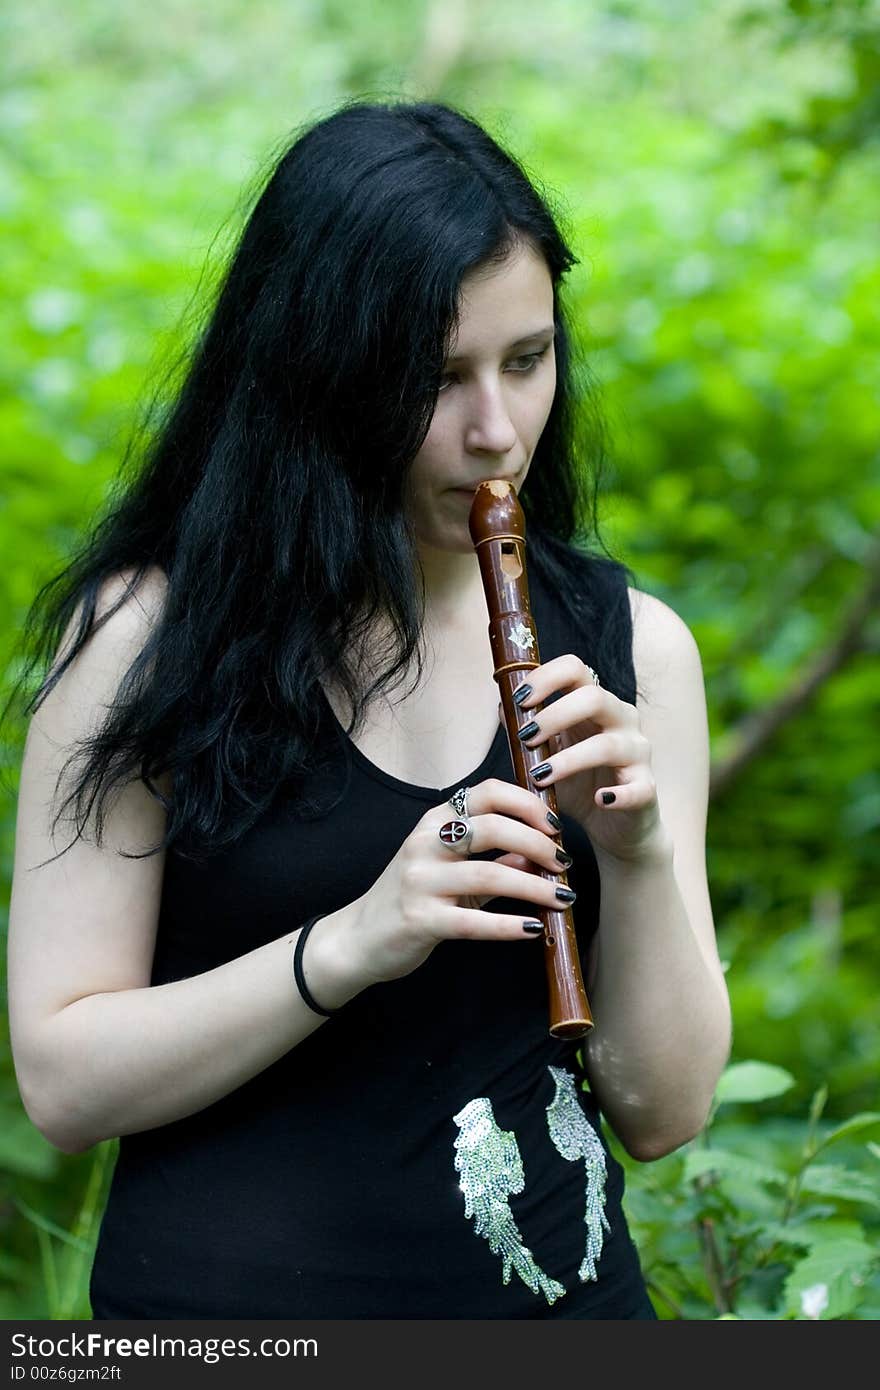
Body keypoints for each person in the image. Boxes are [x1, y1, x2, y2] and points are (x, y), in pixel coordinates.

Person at [6, 97, 731, 1321]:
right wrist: (351, 941)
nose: (496, 431)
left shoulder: (633, 648)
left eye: (527, 358)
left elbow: (662, 1112)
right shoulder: (141, 641)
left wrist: (640, 853)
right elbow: (64, 1083)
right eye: (436, 378)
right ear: (317, 368)